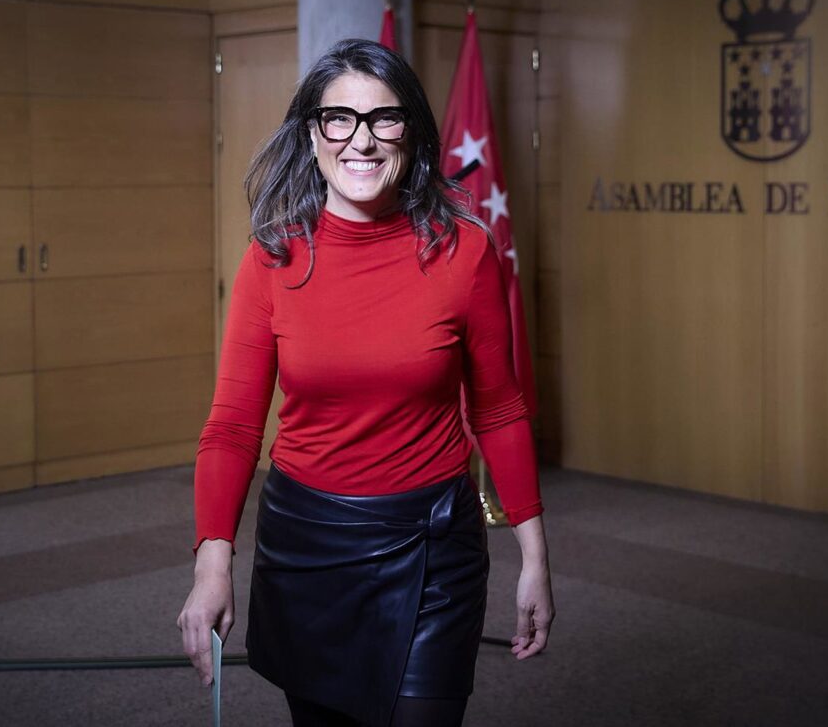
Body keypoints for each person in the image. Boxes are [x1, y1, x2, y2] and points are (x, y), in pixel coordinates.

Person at [177, 38, 554, 727]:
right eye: (339, 119)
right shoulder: (272, 259)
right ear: (312, 134)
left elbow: (499, 408)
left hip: (433, 548)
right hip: (308, 547)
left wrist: (534, 555)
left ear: (410, 132)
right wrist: (212, 564)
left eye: (384, 118)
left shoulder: (466, 251)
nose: (362, 140)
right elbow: (232, 425)